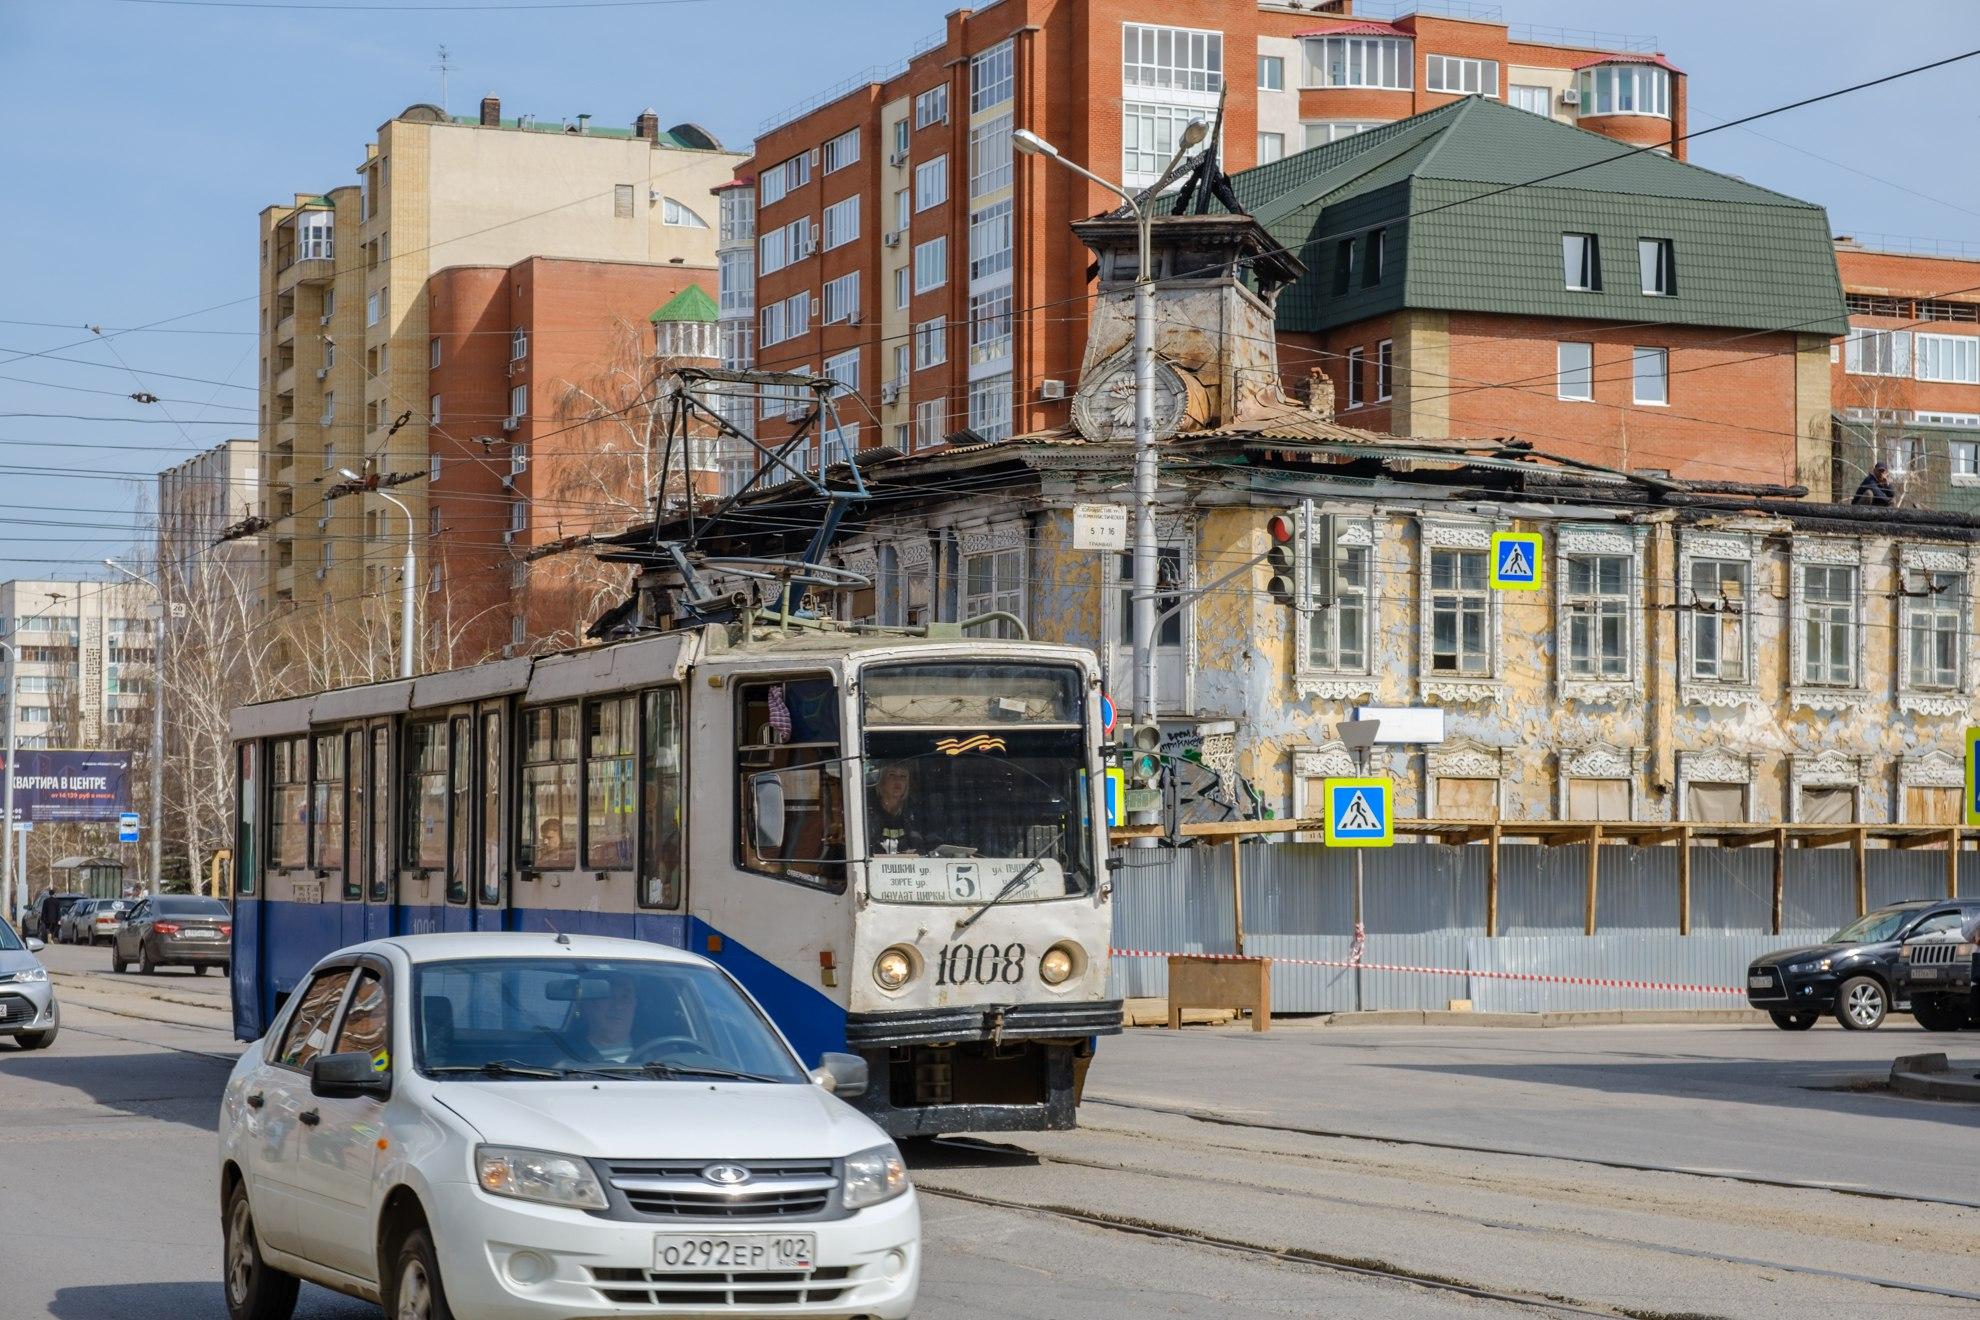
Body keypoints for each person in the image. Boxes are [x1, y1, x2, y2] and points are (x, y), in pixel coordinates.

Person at [568, 973, 641, 1065]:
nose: (618, 1006)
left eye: (625, 997)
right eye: (608, 996)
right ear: (587, 1004)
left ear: (635, 1005)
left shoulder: (659, 1054)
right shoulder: (563, 1052)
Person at [868, 764, 924, 855]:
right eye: (892, 775)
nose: (898, 780)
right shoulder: (868, 809)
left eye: (903, 776)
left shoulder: (914, 811)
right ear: (881, 780)